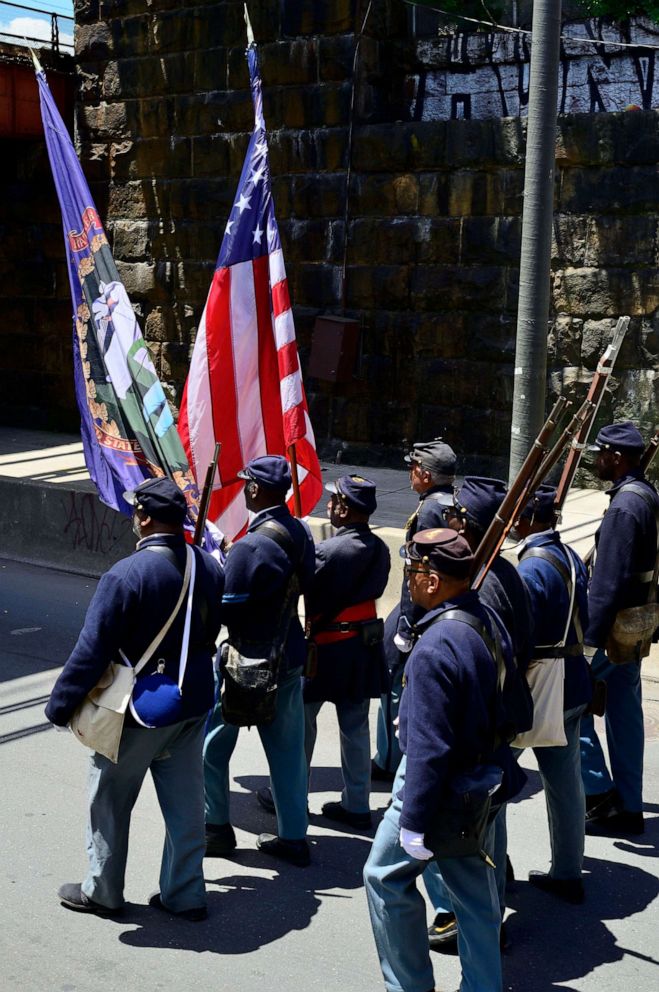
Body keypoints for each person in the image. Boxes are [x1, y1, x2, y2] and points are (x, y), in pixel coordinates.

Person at [45, 477, 225, 920]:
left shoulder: (126, 574)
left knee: (108, 799)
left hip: (141, 708)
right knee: (186, 808)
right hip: (193, 701)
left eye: (135, 512)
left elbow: (92, 651)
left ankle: (103, 891)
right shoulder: (209, 566)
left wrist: (60, 705)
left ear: (143, 517)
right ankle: (185, 894)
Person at [363, 528, 522, 992]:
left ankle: (409, 986)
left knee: (384, 878)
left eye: (413, 572)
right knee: (475, 895)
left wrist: (413, 820)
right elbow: (516, 705)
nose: (408, 582)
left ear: (433, 581)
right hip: (484, 772)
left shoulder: (435, 644)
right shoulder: (484, 617)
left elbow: (430, 748)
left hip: (437, 784)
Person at [425, 476, 532, 949]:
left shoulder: (483, 582)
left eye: (454, 516)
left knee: (457, 823)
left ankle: (457, 914)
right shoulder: (501, 571)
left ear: (467, 523)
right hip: (498, 719)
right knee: (491, 816)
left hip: (474, 724)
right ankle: (488, 904)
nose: (448, 521)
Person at [203, 455, 316, 866]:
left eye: (247, 483)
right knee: (287, 753)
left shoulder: (250, 546)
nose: (244, 489)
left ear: (255, 489)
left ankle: (214, 826)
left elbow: (226, 609)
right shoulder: (299, 531)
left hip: (247, 660)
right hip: (288, 654)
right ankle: (293, 837)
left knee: (211, 749)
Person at [580, 422, 659, 836]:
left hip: (612, 631)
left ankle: (600, 796)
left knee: (567, 705)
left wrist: (588, 642)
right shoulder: (644, 495)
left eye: (600, 454)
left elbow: (607, 582)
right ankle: (628, 804)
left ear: (616, 457)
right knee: (625, 715)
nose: (596, 460)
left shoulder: (626, 507)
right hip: (634, 625)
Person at [514, 484, 592, 903]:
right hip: (573, 678)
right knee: (565, 785)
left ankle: (490, 867)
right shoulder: (571, 557)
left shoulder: (531, 568)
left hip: (539, 687)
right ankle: (567, 872)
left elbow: (520, 636)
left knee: (493, 779)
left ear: (526, 518)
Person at [303, 475, 391, 829]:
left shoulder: (327, 551)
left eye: (334, 500)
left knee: (302, 725)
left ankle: (291, 794)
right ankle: (357, 803)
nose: (329, 505)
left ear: (345, 508)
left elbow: (307, 590)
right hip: (361, 647)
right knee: (355, 727)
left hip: (326, 648)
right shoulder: (381, 549)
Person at [372, 438, 456, 782]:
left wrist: (406, 625)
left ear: (424, 473)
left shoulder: (429, 511)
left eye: (413, 468)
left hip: (421, 608)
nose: (411, 473)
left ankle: (388, 760)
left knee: (392, 679)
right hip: (441, 604)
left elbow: (418, 573)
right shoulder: (452, 503)